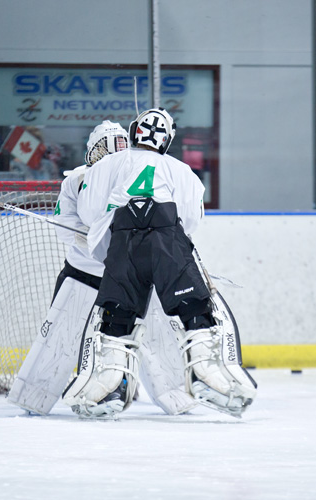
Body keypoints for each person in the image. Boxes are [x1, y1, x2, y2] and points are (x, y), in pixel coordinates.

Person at [63, 108, 257, 418]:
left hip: (122, 244)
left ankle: (105, 389)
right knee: (195, 311)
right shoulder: (181, 170)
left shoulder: (108, 164)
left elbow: (89, 213)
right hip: (168, 242)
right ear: (167, 140)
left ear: (133, 132)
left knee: (118, 317)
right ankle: (207, 376)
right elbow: (191, 220)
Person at [7, 120, 197, 416]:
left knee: (152, 339)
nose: (113, 152)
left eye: (120, 145)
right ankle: (37, 393)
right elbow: (65, 226)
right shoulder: (76, 180)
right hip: (83, 275)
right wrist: (89, 237)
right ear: (92, 151)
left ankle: (166, 393)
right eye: (106, 147)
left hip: (134, 274)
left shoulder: (141, 172)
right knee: (63, 337)